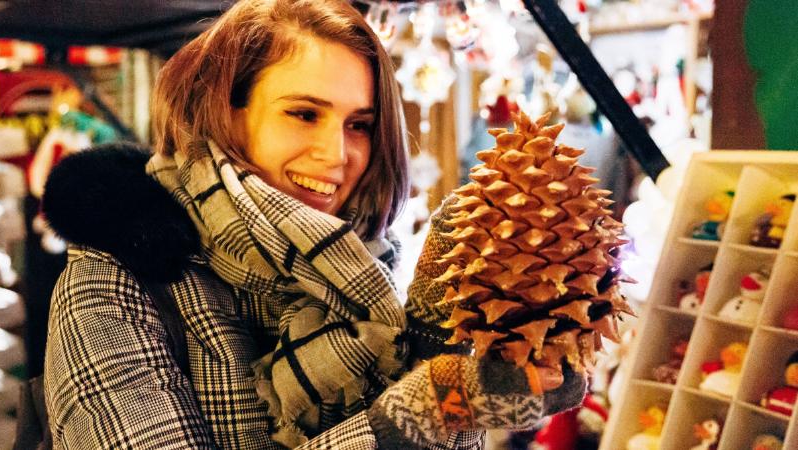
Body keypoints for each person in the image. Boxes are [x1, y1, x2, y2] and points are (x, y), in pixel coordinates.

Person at [41, 0, 587, 448]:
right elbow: (417, 416)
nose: (336, 153)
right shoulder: (115, 284)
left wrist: (436, 340)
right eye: (304, 113)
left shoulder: (367, 274)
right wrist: (432, 410)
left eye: (360, 125)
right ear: (227, 111)